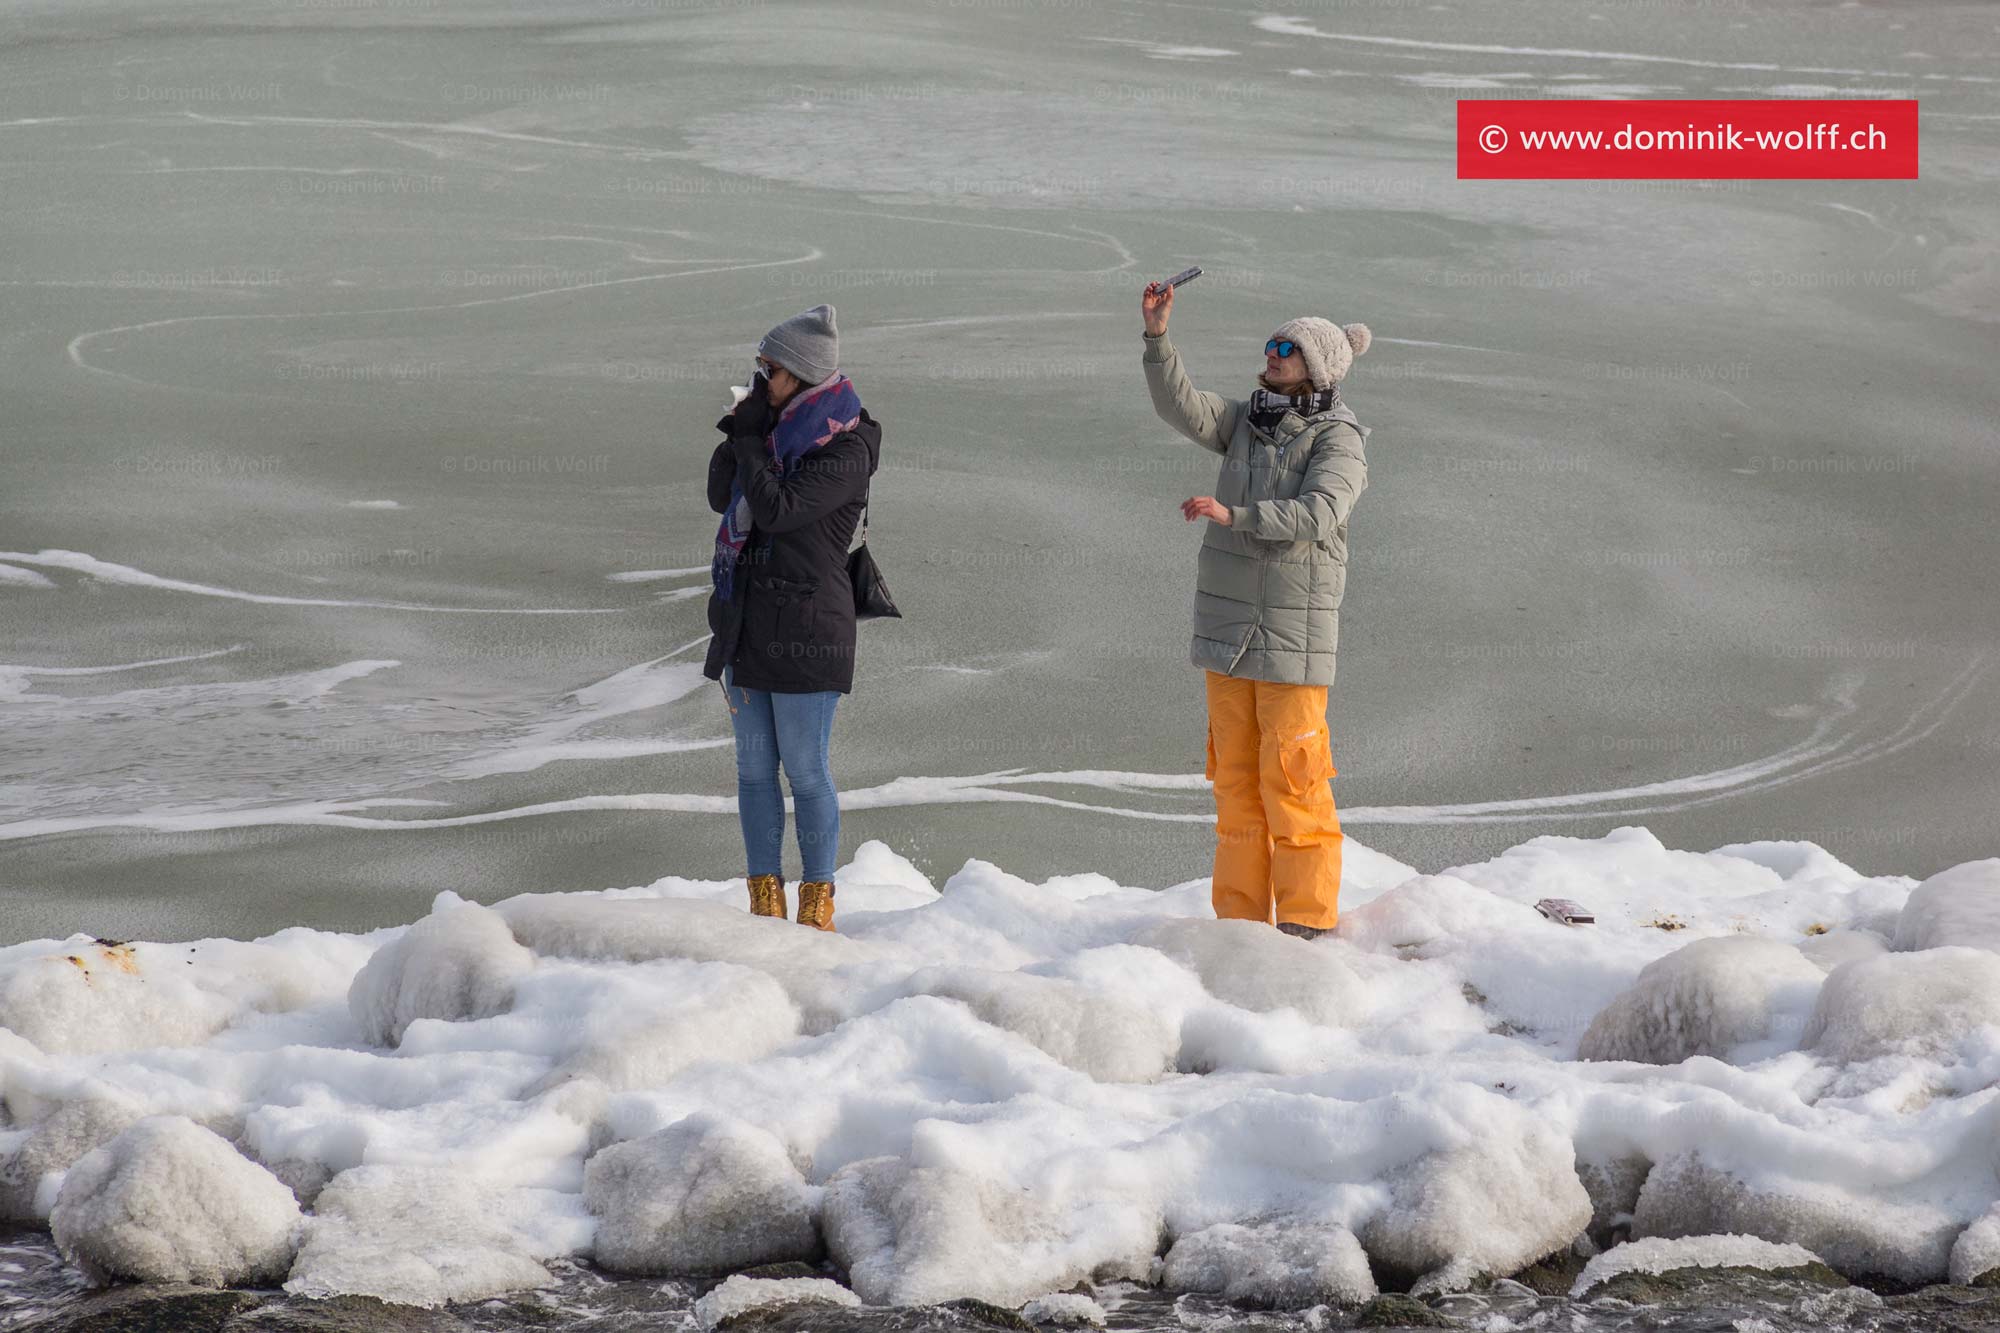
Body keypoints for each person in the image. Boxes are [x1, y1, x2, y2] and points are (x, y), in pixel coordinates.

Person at [1139, 280, 1372, 939]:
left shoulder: (1340, 440)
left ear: (1316, 368)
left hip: (1293, 640)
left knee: (1293, 787)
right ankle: (1239, 926)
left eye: (1287, 348)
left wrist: (1233, 513)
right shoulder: (1245, 420)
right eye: (1272, 343)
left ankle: (1305, 924)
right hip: (1228, 633)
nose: (1271, 354)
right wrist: (1157, 337)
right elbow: (1180, 407)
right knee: (1236, 789)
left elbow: (1319, 512)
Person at [704, 304, 882, 932]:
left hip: (809, 630)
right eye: (758, 368)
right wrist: (739, 432)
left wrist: (753, 438)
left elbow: (778, 510)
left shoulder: (850, 445)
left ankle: (817, 904)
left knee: (806, 771)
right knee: (754, 772)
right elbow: (719, 495)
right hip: (748, 623)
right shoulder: (769, 435)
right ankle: (762, 902)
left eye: (770, 370)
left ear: (804, 376)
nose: (760, 381)